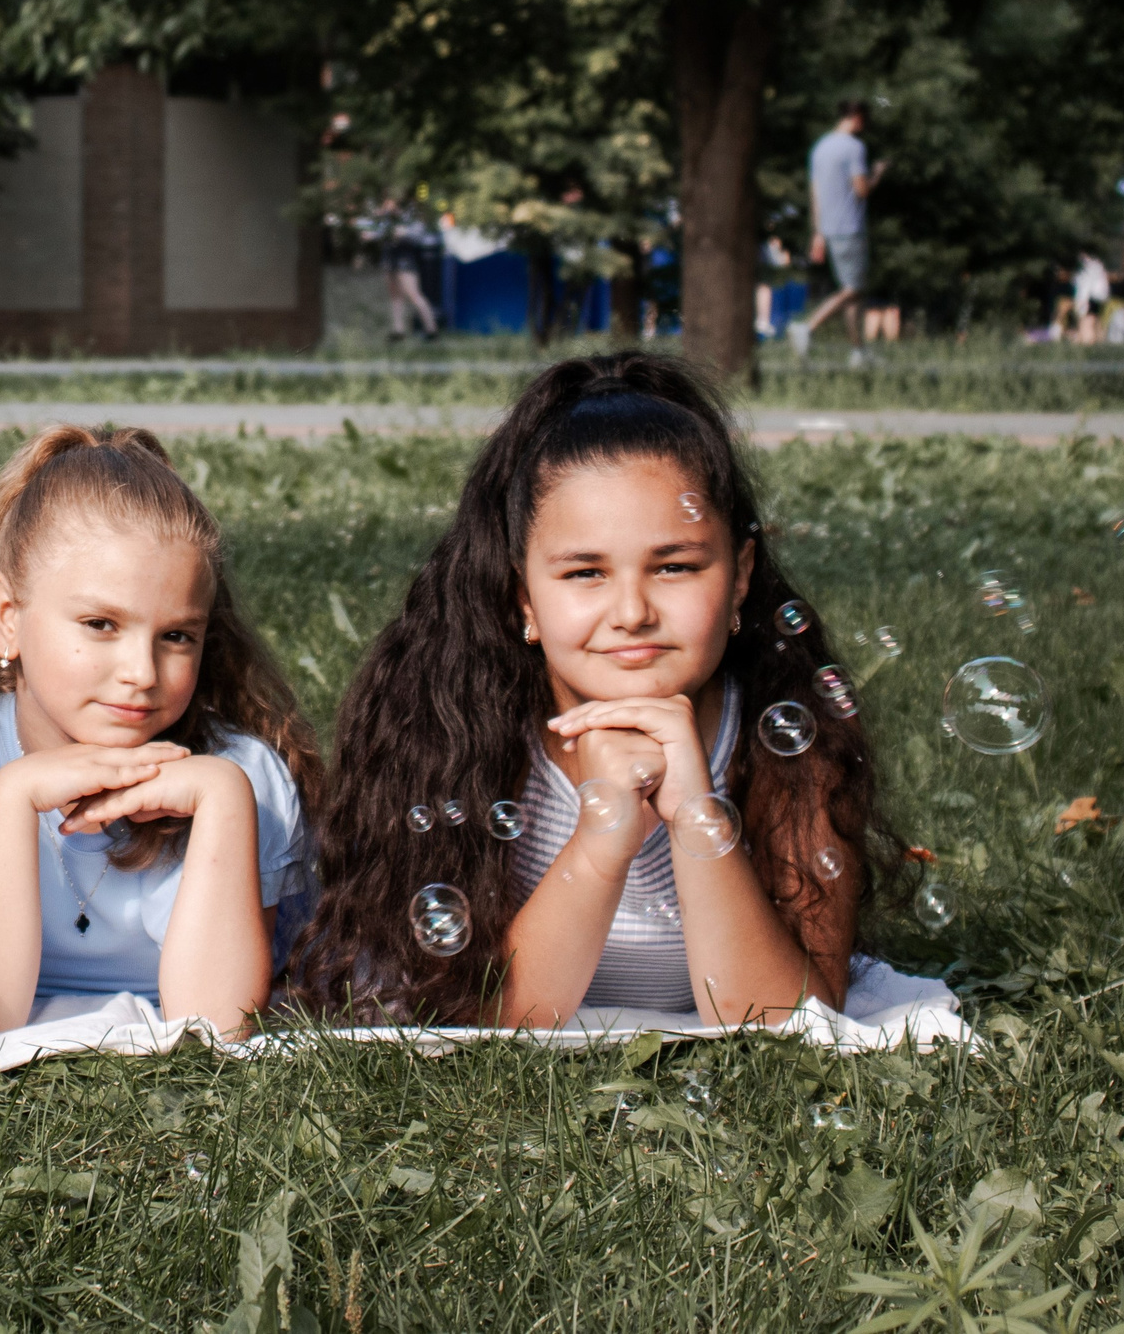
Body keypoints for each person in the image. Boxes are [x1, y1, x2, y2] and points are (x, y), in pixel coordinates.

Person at [290, 352, 892, 1027]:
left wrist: (696, 812)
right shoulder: (462, 739)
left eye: (675, 566)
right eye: (584, 573)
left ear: (741, 577)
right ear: (523, 596)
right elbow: (492, 1022)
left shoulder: (790, 745)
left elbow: (791, 1019)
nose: (632, 610)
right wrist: (603, 834)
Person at [0, 426, 318, 1038]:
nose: (141, 673)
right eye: (101, 624)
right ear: (7, 619)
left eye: (176, 636)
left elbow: (221, 1028)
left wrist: (222, 798)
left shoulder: (244, 775)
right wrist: (14, 797)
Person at [791, 102, 887, 360]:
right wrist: (876, 174)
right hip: (850, 227)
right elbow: (862, 190)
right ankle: (807, 327)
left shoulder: (820, 148)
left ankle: (858, 352)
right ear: (856, 118)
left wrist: (817, 233)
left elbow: (815, 194)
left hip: (829, 228)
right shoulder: (854, 147)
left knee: (851, 288)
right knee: (854, 288)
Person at [375, 197, 440, 342]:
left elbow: (419, 236)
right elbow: (378, 232)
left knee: (414, 295)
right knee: (395, 296)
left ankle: (431, 329)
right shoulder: (386, 219)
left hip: (405, 260)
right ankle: (398, 330)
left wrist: (404, 233)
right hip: (390, 259)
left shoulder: (410, 219)